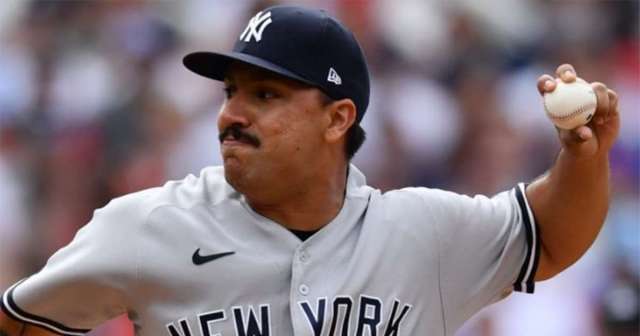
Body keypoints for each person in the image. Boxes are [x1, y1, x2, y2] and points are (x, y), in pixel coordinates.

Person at [0, 5, 620, 336]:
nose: (231, 116)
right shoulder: (145, 228)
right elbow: (24, 322)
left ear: (337, 119)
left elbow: (551, 234)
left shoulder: (421, 234)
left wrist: (582, 154)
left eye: (265, 96)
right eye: (230, 92)